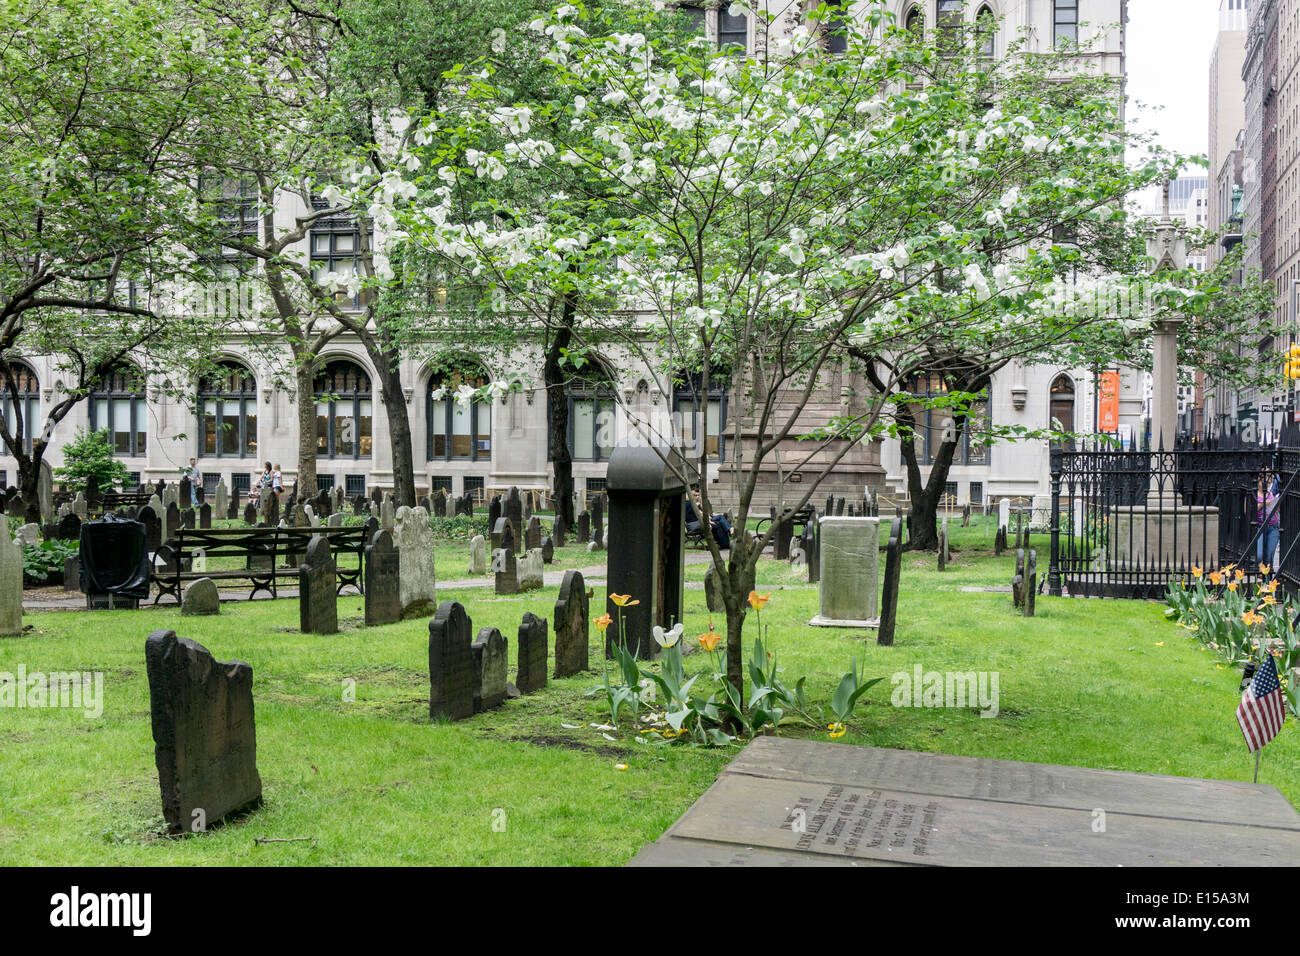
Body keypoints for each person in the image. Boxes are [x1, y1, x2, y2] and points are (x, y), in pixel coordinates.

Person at [687, 486, 731, 550]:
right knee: (717, 523)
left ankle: (726, 543)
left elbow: (704, 513)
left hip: (701, 522)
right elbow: (701, 515)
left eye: (698, 495)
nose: (697, 497)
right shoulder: (689, 504)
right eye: (695, 495)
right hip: (694, 525)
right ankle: (725, 543)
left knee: (719, 521)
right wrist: (708, 521)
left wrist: (701, 507)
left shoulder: (695, 504)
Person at [1257, 471, 1281, 570]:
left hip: (1273, 527)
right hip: (1260, 527)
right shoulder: (1254, 494)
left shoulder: (1271, 494)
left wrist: (1276, 504)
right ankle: (1260, 575)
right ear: (1258, 482)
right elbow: (1248, 512)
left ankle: (1267, 582)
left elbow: (1278, 510)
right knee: (1259, 555)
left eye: (1268, 483)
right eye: (1263, 483)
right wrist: (1263, 503)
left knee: (1269, 557)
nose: (1266, 485)